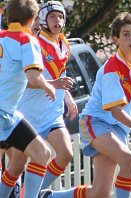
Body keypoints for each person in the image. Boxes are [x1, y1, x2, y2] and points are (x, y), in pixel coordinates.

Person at [39, 12, 131, 198]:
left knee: (100, 192)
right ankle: (30, 191)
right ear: (115, 39)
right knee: (128, 160)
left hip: (117, 128)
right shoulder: (112, 69)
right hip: (96, 122)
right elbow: (116, 112)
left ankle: (49, 197)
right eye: (126, 34)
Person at [7, 0, 78, 193]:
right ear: (42, 20)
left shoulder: (63, 43)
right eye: (52, 16)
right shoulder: (35, 43)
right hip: (28, 113)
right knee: (16, 167)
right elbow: (24, 79)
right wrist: (53, 85)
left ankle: (31, 193)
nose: (58, 20)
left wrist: (68, 98)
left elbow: (60, 73)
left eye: (61, 16)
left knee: (65, 154)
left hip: (52, 113)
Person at [0, 0, 56, 197]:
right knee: (42, 155)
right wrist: (48, 86)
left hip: (9, 116)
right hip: (3, 114)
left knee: (42, 153)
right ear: (33, 19)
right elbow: (33, 76)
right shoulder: (27, 40)